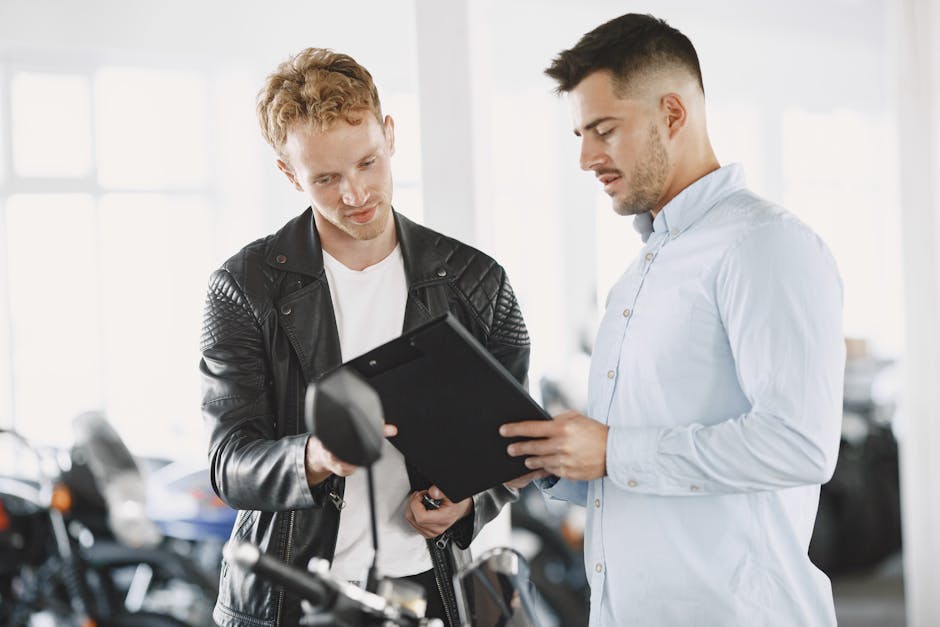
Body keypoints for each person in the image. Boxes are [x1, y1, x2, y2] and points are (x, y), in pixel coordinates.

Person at [500, 13, 845, 627]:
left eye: (603, 130)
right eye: (580, 134)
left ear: (673, 115)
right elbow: (638, 469)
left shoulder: (764, 245)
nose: (585, 158)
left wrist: (613, 451)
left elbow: (800, 444)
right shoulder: (638, 274)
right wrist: (559, 457)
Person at [199, 48, 530, 627]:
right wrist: (316, 456)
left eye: (368, 163)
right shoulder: (242, 287)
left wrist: (470, 500)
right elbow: (228, 464)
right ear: (287, 172)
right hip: (290, 598)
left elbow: (515, 442)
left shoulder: (478, 281)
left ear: (390, 135)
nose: (355, 195)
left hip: (425, 591)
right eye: (325, 178)